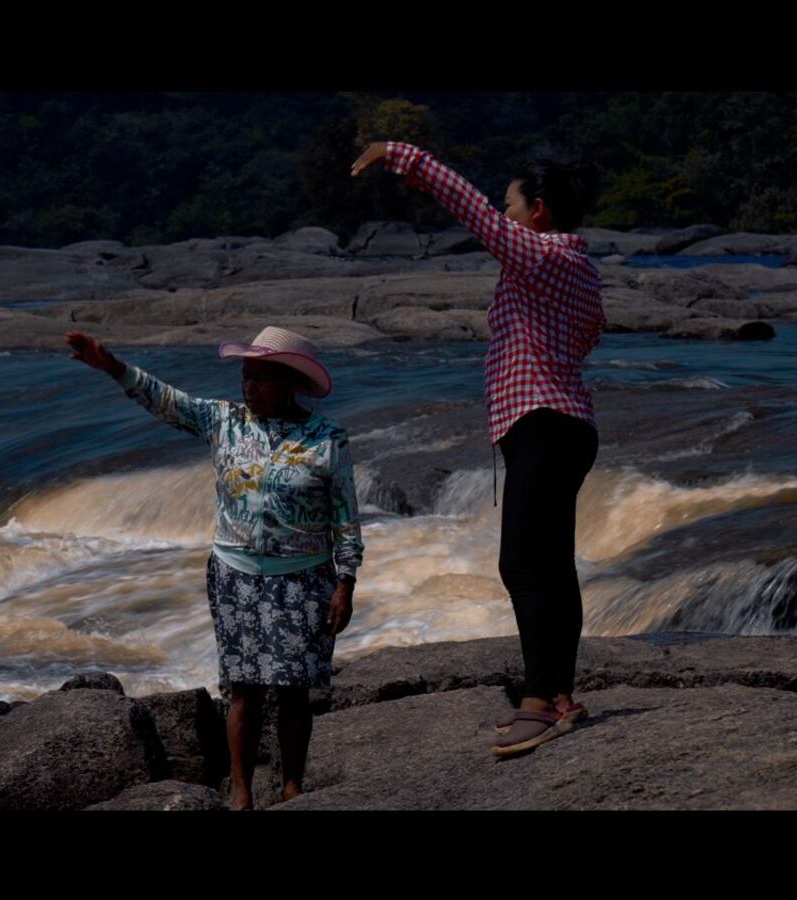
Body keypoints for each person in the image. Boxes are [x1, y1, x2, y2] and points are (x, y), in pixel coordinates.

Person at [352, 141, 605, 758]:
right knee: (551, 566)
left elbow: (473, 213)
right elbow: (589, 336)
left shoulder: (538, 255)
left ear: (539, 210)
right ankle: (561, 693)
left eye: (512, 203)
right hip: (570, 424)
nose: (504, 212)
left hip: (542, 423)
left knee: (520, 566)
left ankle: (539, 701)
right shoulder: (581, 267)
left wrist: (403, 156)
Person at [64, 325, 363, 808]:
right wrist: (113, 366)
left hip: (304, 578)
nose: (249, 387)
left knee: (292, 692)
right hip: (235, 576)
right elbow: (165, 400)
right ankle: (241, 794)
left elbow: (345, 519)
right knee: (242, 688)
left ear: (290, 382)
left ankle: (292, 788)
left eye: (262, 379)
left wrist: (345, 582)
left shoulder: (327, 439)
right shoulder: (224, 421)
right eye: (246, 377)